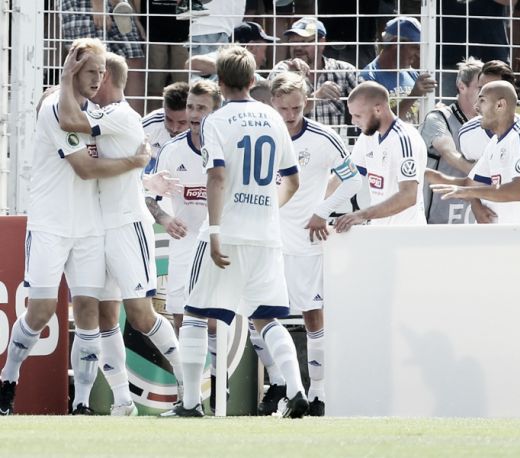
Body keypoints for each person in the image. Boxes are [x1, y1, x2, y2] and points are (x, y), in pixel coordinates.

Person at [0, 38, 149, 416]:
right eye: (90, 72)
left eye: (101, 72)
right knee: (40, 310)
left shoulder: (97, 113)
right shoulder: (55, 107)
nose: (98, 79)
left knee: (88, 309)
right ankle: (8, 377)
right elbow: (84, 168)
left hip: (90, 227)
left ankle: (81, 402)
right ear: (72, 70)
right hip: (51, 223)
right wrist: (135, 163)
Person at [167, 45, 308, 418]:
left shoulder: (216, 121)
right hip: (264, 234)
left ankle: (192, 403)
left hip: (226, 232)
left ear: (219, 80)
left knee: (196, 313)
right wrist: (264, 209)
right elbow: (292, 181)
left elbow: (216, 176)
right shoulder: (274, 118)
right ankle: (296, 390)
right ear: (251, 80)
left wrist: (214, 231)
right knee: (267, 318)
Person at [58, 48, 185, 409]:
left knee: (142, 316)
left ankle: (189, 386)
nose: (92, 82)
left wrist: (67, 76)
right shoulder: (103, 115)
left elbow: (69, 121)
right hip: (99, 229)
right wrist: (145, 176)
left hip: (128, 227)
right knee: (104, 315)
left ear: (106, 78)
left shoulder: (121, 115)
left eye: (96, 75)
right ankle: (120, 401)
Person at [251, 72, 361, 417]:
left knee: (313, 317)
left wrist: (321, 212)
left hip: (306, 241)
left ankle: (318, 394)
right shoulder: (259, 134)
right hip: (266, 240)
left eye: (296, 107)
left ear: (307, 103)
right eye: (283, 108)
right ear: (272, 104)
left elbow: (352, 179)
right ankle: (280, 384)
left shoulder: (324, 138)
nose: (289, 115)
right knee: (258, 315)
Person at [145, 80, 224, 413]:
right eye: (190, 107)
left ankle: (221, 392)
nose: (193, 114)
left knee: (216, 321)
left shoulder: (227, 147)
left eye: (201, 108)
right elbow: (149, 196)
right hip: (184, 243)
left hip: (219, 242)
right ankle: (188, 397)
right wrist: (164, 217)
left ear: (216, 111)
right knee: (181, 318)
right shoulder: (173, 149)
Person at [431, 81, 520, 224]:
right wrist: (428, 175)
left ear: (500, 105)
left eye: (482, 101)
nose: (476, 107)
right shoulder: (495, 142)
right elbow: (470, 184)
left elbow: (518, 191)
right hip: (511, 234)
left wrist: (467, 192)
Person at [334, 81, 427, 232]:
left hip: (407, 235)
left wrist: (362, 215)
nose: (353, 121)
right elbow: (343, 176)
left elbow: (409, 196)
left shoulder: (404, 139)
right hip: (380, 234)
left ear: (377, 109)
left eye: (357, 115)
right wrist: (314, 205)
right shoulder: (367, 136)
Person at [420, 57, 483, 224]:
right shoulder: (438, 118)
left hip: (474, 217)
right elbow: (450, 154)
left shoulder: (490, 123)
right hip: (437, 220)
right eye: (480, 88)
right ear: (462, 86)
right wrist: (487, 175)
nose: (485, 94)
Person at [269, 17, 361, 131]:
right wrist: (316, 96)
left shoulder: (343, 70)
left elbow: (368, 100)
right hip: (294, 145)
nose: (298, 47)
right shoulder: (282, 70)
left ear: (322, 43)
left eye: (304, 42)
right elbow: (269, 112)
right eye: (293, 42)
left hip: (330, 145)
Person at [59, 0, 146, 115]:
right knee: (93, 61)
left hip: (118, 4)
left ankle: (133, 122)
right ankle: (93, 121)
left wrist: (134, 18)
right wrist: (98, 3)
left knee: (134, 58)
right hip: (84, 5)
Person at [361, 16, 436, 122]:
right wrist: (413, 96)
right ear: (396, 43)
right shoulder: (368, 77)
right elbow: (377, 122)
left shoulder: (412, 74)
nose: (419, 55)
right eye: (415, 48)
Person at [140, 0, 190, 112]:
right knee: (155, 84)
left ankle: (182, 121)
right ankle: (152, 121)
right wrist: (138, 20)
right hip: (153, 26)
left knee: (183, 85)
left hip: (183, 28)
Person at [187, 21, 279, 78]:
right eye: (264, 51)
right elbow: (192, 64)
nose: (265, 59)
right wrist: (233, 69)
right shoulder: (222, 57)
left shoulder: (255, 78)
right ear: (252, 47)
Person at [142, 81, 189, 173]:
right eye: (169, 119)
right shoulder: (149, 125)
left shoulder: (204, 129)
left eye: (182, 122)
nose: (174, 128)